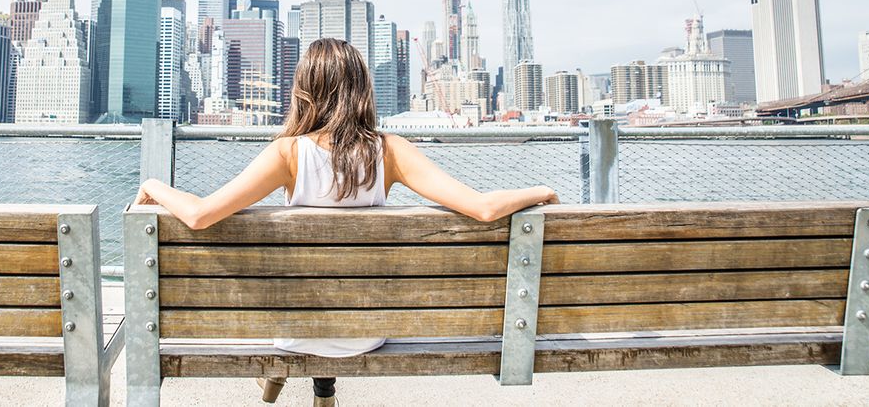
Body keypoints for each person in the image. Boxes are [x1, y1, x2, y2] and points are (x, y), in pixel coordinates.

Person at [134, 38, 559, 406]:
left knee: (295, 280)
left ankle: (287, 377)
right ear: (361, 89)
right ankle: (322, 388)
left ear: (305, 91)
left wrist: (155, 183)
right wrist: (540, 191)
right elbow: (482, 208)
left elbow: (200, 214)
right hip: (365, 332)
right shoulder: (389, 150)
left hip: (294, 332)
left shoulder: (287, 153)